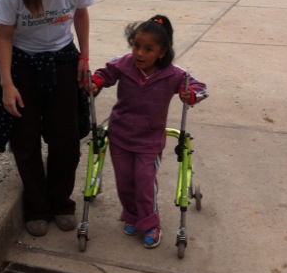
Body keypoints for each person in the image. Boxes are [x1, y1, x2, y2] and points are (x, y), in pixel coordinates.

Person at [0, 0, 95, 237]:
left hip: (62, 60)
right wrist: (7, 84)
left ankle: (61, 202)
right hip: (22, 65)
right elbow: (4, 38)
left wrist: (84, 57)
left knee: (66, 137)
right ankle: (37, 208)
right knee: (25, 138)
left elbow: (81, 16)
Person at [88, 14, 207, 249]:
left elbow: (200, 87)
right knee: (124, 182)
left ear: (162, 53)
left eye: (148, 49)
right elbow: (105, 73)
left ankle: (151, 223)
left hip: (149, 140)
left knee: (144, 182)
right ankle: (132, 215)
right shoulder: (124, 63)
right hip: (120, 134)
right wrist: (96, 82)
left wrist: (190, 95)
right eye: (136, 46)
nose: (139, 53)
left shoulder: (174, 74)